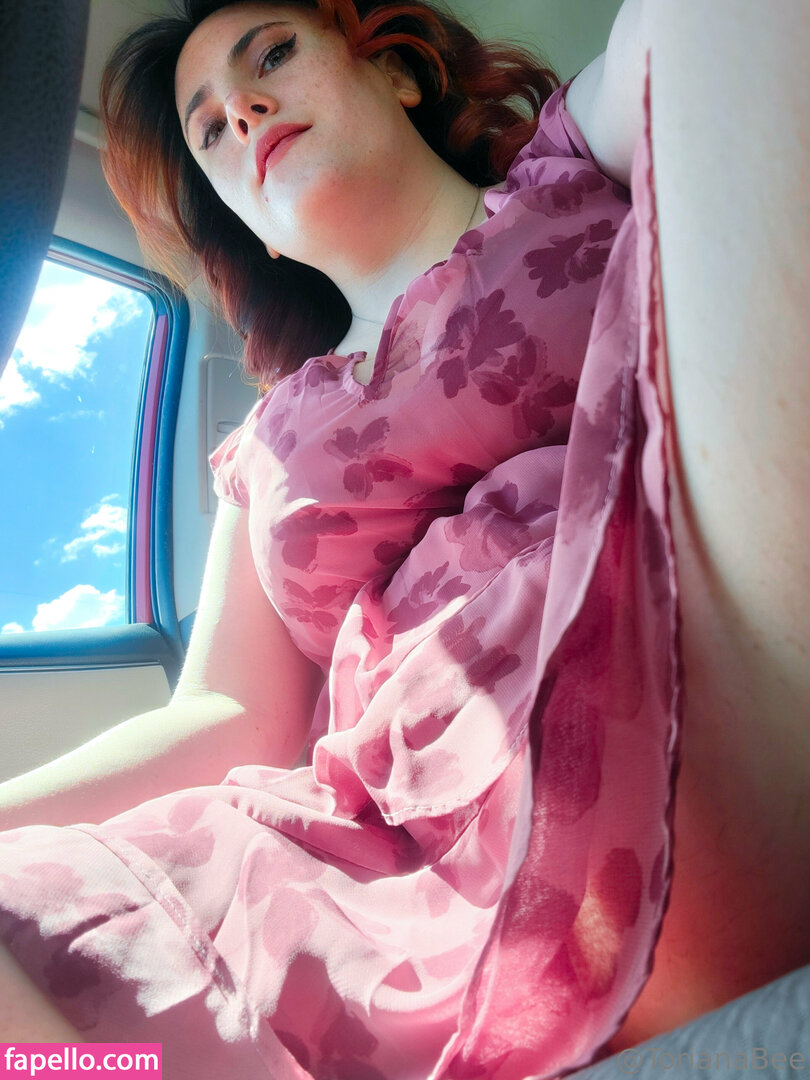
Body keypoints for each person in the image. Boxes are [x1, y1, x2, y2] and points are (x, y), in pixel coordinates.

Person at [2, 0, 809, 1076]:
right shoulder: (267, 444)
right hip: (380, 854)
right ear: (250, 225)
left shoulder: (570, 167)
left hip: (702, 630)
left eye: (273, 55)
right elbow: (229, 715)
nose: (242, 113)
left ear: (399, 73)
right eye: (208, 130)